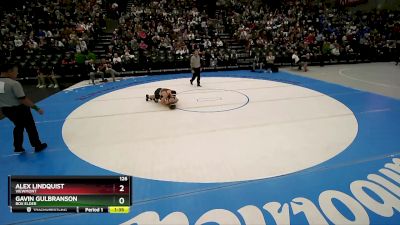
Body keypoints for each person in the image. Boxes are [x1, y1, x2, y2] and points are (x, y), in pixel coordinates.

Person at [0, 63, 47, 153]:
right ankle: (37, 145)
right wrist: (37, 108)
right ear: (9, 71)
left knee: (18, 126)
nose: (17, 73)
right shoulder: (14, 83)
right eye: (16, 71)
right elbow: (23, 99)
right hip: (20, 109)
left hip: (6, 110)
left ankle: (18, 146)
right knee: (30, 127)